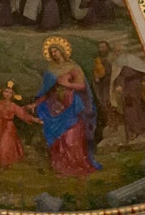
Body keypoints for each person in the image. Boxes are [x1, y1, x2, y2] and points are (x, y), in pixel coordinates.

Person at [33, 37, 99, 177]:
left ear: (62, 51)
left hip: (72, 106)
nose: (54, 54)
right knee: (58, 138)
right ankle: (62, 168)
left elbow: (81, 86)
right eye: (51, 52)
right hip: (54, 106)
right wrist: (35, 104)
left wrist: (67, 84)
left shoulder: (73, 68)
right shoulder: (50, 70)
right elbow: (47, 91)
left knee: (71, 137)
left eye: (56, 50)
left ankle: (76, 166)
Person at [0, 82, 41, 169]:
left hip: (8, 126)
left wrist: (35, 119)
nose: (7, 94)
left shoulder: (13, 106)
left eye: (10, 93)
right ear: (2, 92)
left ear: (13, 95)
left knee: (4, 144)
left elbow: (23, 114)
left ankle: (3, 164)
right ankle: (5, 162)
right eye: (6, 92)